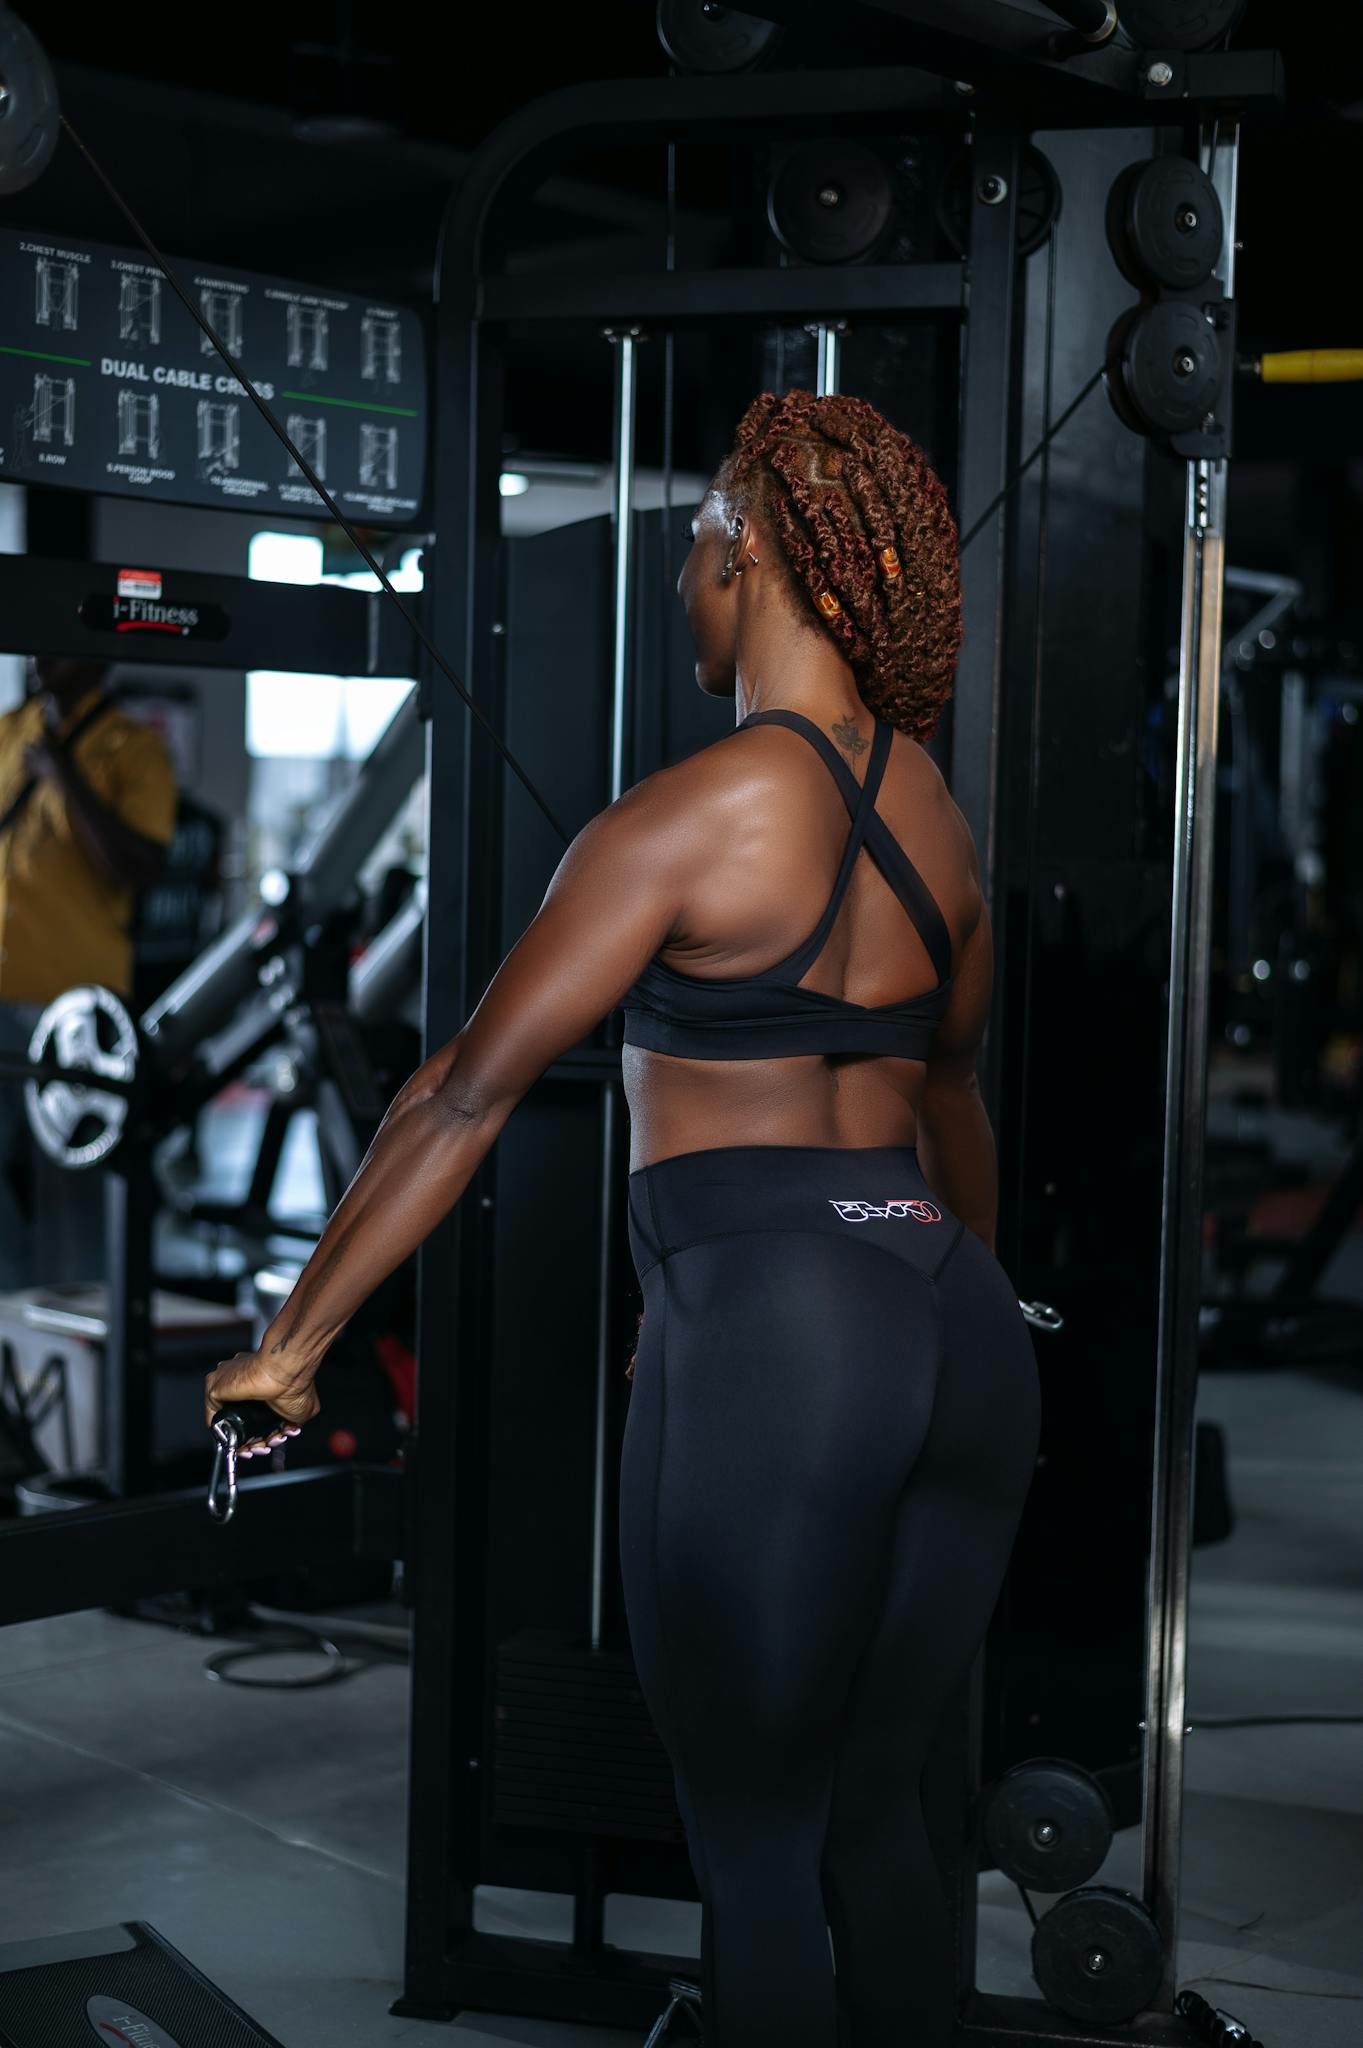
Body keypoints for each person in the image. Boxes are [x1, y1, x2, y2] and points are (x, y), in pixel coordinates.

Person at [205, 390, 1042, 2046]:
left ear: (747, 559)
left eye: (688, 550)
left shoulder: (683, 817)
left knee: (747, 1844)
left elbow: (457, 1093)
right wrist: (966, 1314)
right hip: (953, 1327)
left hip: (783, 1332)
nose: (678, 585)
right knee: (886, 1816)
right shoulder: (939, 825)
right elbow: (949, 1109)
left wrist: (290, 1346)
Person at [0, 655, 176, 1288]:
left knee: (69, 1190)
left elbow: (141, 866)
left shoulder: (133, 749)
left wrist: (64, 776)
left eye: (60, 647)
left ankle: (74, 1345)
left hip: (71, 1013)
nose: (40, 659)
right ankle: (15, 1330)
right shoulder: (10, 727)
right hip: (0, 995)